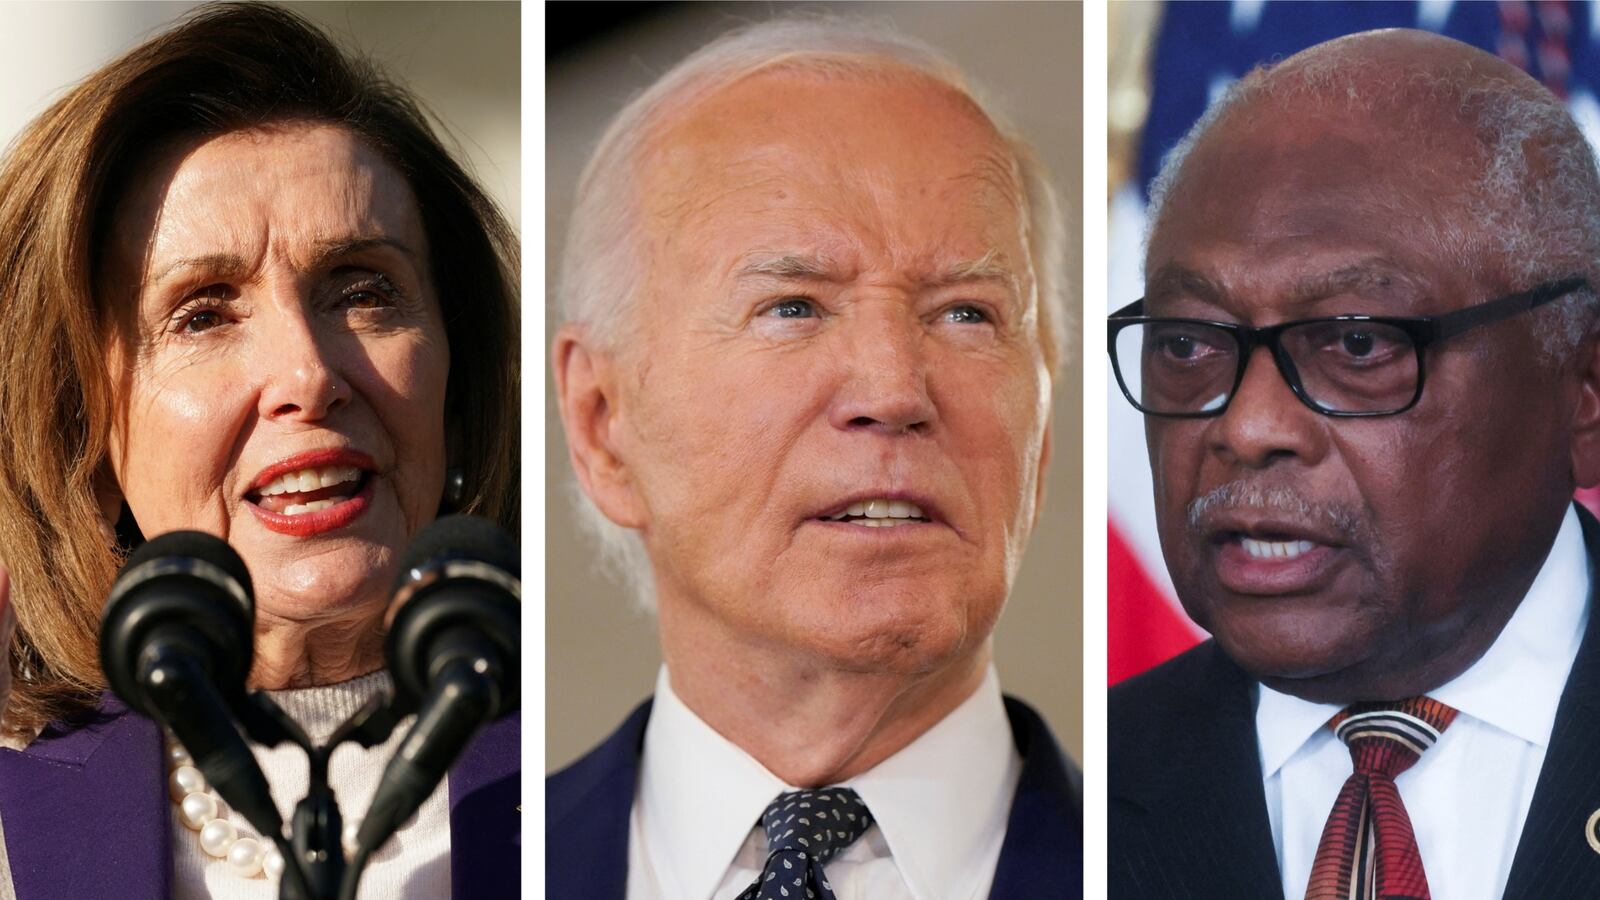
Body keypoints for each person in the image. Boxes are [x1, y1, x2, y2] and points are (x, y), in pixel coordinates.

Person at [547, 17, 1081, 900]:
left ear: (1045, 418)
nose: (895, 389)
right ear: (602, 422)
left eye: (966, 314)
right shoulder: (466, 865)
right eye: (793, 307)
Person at [0, 4, 519, 898]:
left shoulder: (590, 786)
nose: (309, 375)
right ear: (78, 427)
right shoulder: (10, 836)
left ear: (459, 381)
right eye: (202, 312)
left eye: (363, 291)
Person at [1108, 28, 1600, 899]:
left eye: (1358, 342)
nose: (1248, 425)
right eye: (1187, 343)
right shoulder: (1087, 794)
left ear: (1584, 386)